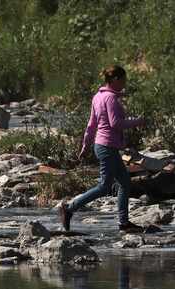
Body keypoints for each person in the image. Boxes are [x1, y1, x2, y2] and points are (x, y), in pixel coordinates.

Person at [58, 65, 146, 234]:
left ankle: (124, 223)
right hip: (107, 147)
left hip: (103, 146)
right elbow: (115, 123)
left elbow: (91, 125)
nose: (124, 84)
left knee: (124, 183)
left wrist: (86, 145)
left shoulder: (97, 97)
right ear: (115, 80)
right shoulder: (110, 99)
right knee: (104, 187)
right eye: (123, 80)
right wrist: (137, 121)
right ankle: (69, 208)